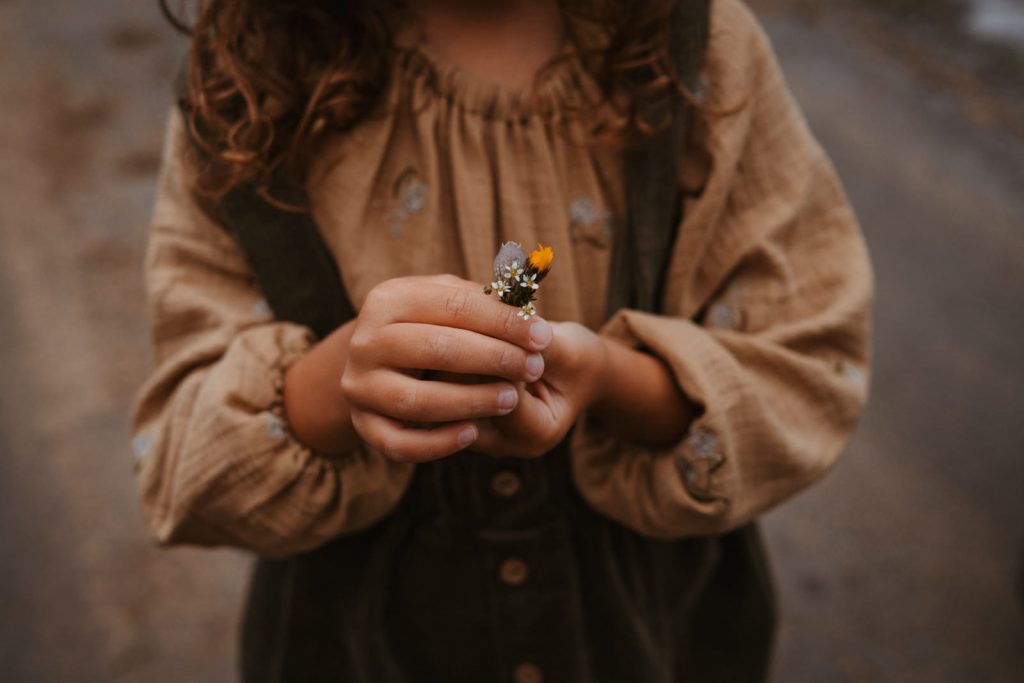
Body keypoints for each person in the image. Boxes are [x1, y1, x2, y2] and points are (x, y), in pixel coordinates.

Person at [133, 0, 874, 680]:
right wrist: (338, 382)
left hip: (652, 629)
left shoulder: (700, 47)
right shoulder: (244, 77)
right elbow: (178, 460)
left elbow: (805, 364)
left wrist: (608, 378)